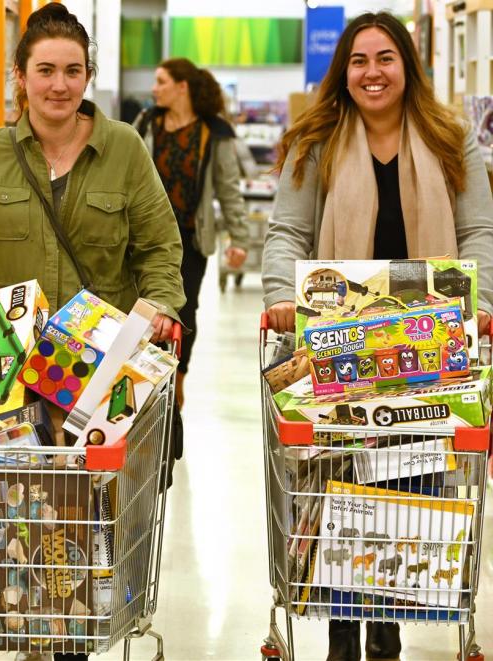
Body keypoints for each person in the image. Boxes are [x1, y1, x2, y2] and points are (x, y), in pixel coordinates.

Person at [262, 11, 493, 661]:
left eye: (385, 58)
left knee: (411, 476)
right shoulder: (316, 139)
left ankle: (388, 625)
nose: (372, 72)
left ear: (407, 66)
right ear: (344, 69)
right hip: (338, 346)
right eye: (359, 60)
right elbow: (287, 232)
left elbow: (478, 230)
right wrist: (282, 295)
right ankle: (344, 630)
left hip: (429, 348)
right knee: (341, 477)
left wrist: (484, 302)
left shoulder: (451, 138)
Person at [0, 4, 186, 661]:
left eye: (72, 71)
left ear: (88, 76)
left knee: (82, 541)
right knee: (16, 543)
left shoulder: (125, 152)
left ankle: (68, 646)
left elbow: (163, 249)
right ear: (20, 76)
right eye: (44, 70)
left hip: (100, 388)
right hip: (12, 391)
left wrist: (157, 308)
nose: (58, 84)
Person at [134, 58, 249, 408]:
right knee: (143, 309)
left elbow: (228, 188)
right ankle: (142, 379)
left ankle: (176, 379)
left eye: (161, 81)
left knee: (186, 312)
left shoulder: (214, 131)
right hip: (145, 236)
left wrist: (239, 238)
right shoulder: (147, 123)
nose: (154, 89)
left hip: (191, 240)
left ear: (182, 86)